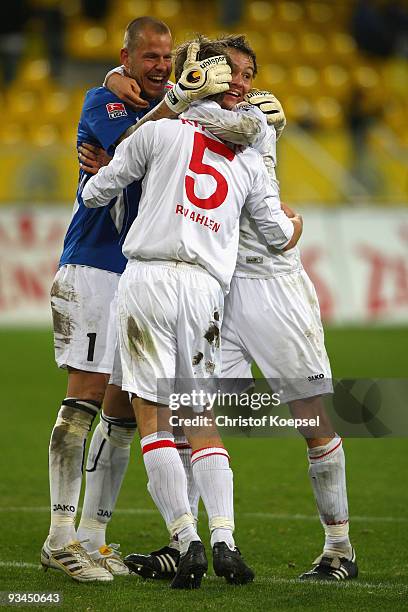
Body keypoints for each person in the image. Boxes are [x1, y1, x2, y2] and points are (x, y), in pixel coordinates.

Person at [99, 34, 357, 583]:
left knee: (310, 417)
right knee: (198, 420)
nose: (239, 82)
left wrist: (136, 97)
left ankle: (339, 546)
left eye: (247, 73)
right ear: (206, 74)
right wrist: (119, 84)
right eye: (228, 71)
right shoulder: (198, 114)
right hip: (210, 292)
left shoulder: (252, 122)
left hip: (269, 286)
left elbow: (155, 135)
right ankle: (187, 539)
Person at [41, 16, 231, 583]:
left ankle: (94, 539)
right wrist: (166, 101)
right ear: (125, 57)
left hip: (140, 279)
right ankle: (58, 538)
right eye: (149, 56)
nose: (160, 65)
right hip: (96, 267)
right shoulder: (106, 99)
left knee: (126, 408)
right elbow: (129, 147)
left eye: (167, 56)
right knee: (87, 397)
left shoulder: (178, 113)